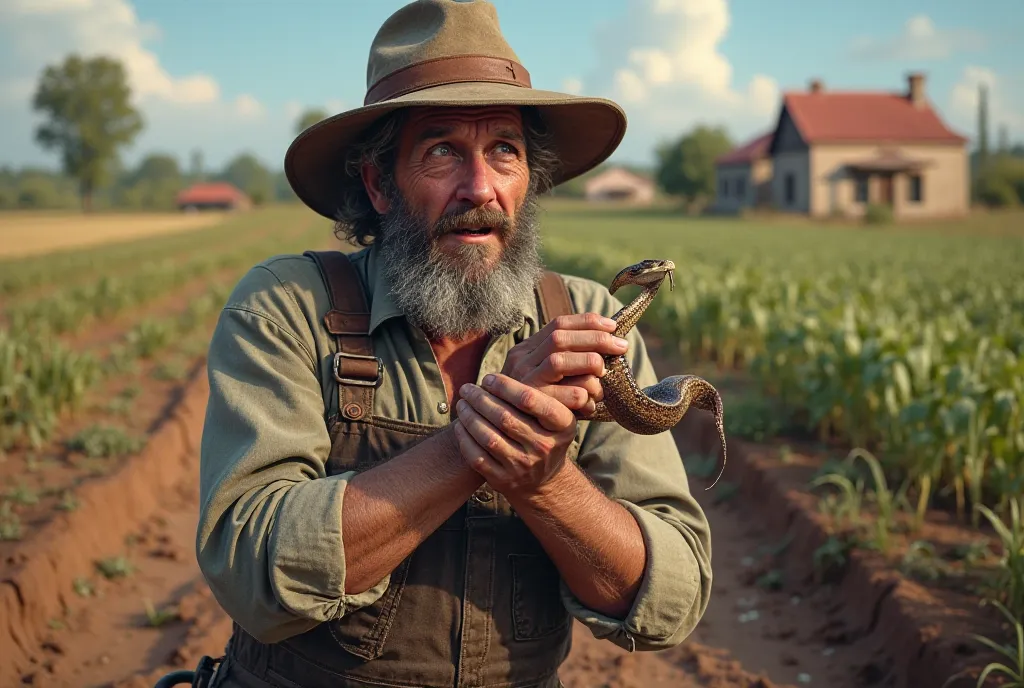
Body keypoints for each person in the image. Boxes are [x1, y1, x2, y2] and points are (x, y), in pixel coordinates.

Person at [195, 1, 712, 686]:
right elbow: (251, 566)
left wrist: (550, 482)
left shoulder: (590, 319)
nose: (481, 188)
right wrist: (483, 441)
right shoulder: (291, 308)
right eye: (442, 150)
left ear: (530, 179)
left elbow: (669, 599)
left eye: (505, 149)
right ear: (380, 183)